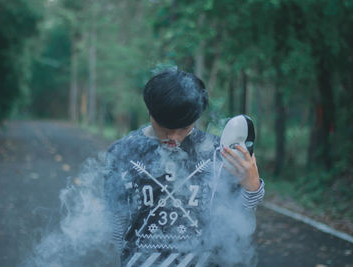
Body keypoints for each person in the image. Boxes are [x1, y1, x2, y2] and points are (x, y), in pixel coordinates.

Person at [104, 69, 265, 266]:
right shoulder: (122, 152)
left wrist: (252, 188)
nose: (174, 137)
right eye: (165, 128)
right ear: (150, 111)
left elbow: (240, 228)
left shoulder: (218, 153)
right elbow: (117, 224)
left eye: (184, 128)